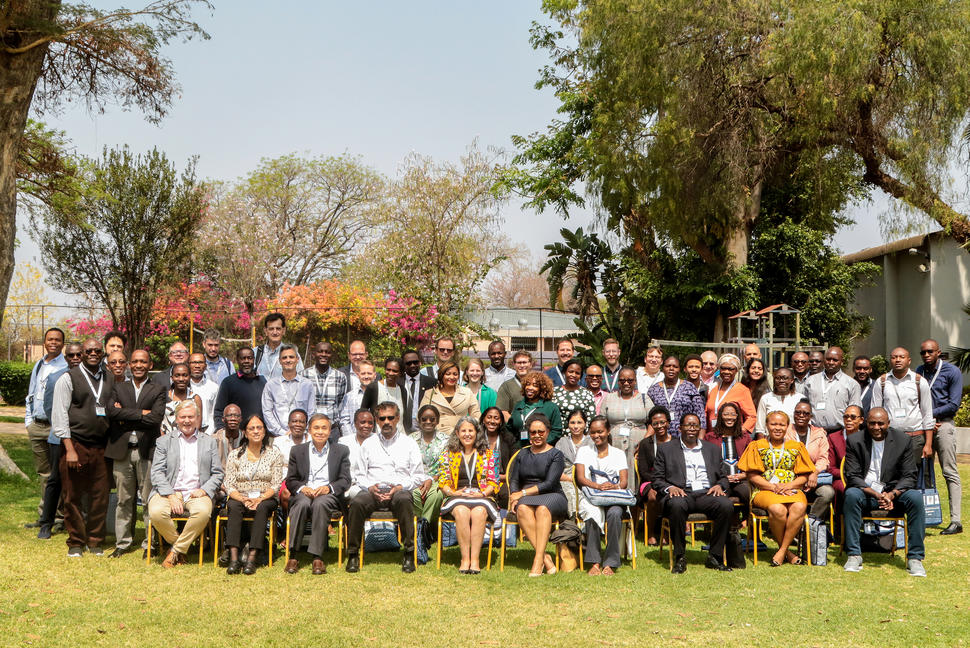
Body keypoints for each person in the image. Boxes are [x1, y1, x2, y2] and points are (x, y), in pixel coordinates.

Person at [842, 408, 926, 577]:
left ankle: (915, 558)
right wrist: (876, 494)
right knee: (851, 495)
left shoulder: (903, 440)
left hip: (894, 493)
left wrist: (892, 494)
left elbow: (910, 475)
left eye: (881, 423)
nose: (876, 427)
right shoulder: (855, 440)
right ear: (866, 422)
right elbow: (852, 476)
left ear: (889, 423)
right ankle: (854, 555)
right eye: (872, 423)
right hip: (866, 492)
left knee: (916, 497)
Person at [51, 337, 115, 556]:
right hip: (76, 444)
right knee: (72, 495)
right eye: (89, 351)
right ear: (83, 353)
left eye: (98, 350)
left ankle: (95, 540)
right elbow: (59, 415)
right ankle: (76, 541)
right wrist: (69, 449)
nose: (93, 353)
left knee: (100, 495)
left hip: (102, 446)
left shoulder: (110, 378)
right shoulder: (68, 378)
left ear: (103, 353)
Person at [345, 402, 426, 573]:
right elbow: (359, 474)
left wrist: (399, 487)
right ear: (377, 420)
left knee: (404, 500)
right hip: (373, 491)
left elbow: (419, 476)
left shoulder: (409, 443)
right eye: (382, 418)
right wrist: (370, 487)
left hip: (398, 490)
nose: (387, 422)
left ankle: (409, 553)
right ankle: (353, 554)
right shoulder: (368, 443)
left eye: (391, 417)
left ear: (397, 418)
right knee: (357, 503)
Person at [653, 413, 734, 573]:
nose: (692, 428)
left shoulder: (712, 449)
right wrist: (671, 488)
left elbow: (724, 477)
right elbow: (656, 479)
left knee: (726, 505)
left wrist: (720, 486)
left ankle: (715, 555)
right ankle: (680, 556)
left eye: (695, 425)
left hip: (706, 493)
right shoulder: (666, 449)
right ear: (680, 428)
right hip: (681, 493)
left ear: (700, 428)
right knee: (676, 505)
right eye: (688, 425)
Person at [104, 349, 166, 558]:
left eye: (143, 362)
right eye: (135, 362)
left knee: (149, 499)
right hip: (122, 451)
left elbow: (156, 418)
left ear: (150, 365)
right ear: (129, 364)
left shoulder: (158, 388)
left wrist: (126, 415)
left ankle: (150, 543)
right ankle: (123, 543)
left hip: (146, 450)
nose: (139, 365)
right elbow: (112, 412)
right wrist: (141, 413)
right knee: (123, 499)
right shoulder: (118, 387)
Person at [148, 400, 224, 568]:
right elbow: (157, 472)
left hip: (197, 492)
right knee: (156, 512)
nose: (187, 421)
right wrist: (171, 495)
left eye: (191, 417)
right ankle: (180, 548)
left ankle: (175, 551)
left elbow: (218, 473)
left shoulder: (209, 441)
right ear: (176, 419)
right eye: (183, 417)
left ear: (197, 418)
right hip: (168, 491)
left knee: (203, 512)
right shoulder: (164, 441)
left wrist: (204, 490)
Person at [738, 410, 815, 566]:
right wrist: (773, 487)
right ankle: (787, 552)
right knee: (778, 509)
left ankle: (782, 551)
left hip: (791, 488)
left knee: (800, 506)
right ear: (766, 426)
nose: (777, 428)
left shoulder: (797, 446)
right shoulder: (757, 445)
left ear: (788, 426)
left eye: (782, 424)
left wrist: (788, 485)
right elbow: (752, 475)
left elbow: (804, 476)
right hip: (764, 489)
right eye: (773, 424)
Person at [284, 413, 351, 575]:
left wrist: (329, 488)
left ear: (329, 431)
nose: (320, 432)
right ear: (309, 430)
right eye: (316, 428)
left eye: (324, 428)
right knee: (301, 504)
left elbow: (345, 479)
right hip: (304, 493)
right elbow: (291, 480)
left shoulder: (341, 450)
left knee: (320, 504)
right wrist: (302, 488)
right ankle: (293, 555)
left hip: (327, 495)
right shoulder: (297, 450)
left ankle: (317, 557)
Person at [222, 414, 285, 574]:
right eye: (252, 428)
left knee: (263, 508)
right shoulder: (235, 455)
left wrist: (260, 498)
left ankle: (252, 557)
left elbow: (276, 483)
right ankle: (234, 558)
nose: (256, 431)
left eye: (259, 428)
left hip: (265, 497)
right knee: (233, 506)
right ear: (245, 432)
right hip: (240, 496)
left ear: (264, 432)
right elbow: (229, 483)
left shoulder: (274, 454)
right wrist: (242, 498)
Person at [437, 416, 501, 574]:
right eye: (463, 431)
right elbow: (443, 480)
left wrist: (482, 493)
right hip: (457, 496)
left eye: (470, 430)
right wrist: (452, 492)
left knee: (479, 513)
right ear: (457, 433)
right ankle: (465, 559)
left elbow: (494, 481)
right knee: (461, 511)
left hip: (482, 496)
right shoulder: (448, 454)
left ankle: (475, 560)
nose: (467, 434)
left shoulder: (489, 454)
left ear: (477, 433)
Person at [509, 414, 568, 576]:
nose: (537, 435)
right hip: (526, 497)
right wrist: (514, 496)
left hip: (553, 495)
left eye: (540, 432)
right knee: (521, 509)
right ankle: (545, 559)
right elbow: (514, 479)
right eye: (533, 432)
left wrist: (522, 493)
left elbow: (549, 483)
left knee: (542, 509)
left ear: (548, 432)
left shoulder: (556, 454)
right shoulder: (522, 454)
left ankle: (537, 561)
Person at [915, 339, 963, 535]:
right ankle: (924, 516)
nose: (926, 355)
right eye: (923, 352)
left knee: (949, 471)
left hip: (943, 425)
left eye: (930, 352)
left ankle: (956, 520)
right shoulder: (919, 371)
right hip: (923, 427)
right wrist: (925, 420)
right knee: (921, 472)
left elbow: (954, 404)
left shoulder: (952, 372)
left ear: (938, 352)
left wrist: (931, 415)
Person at [574, 416, 630, 575]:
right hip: (592, 495)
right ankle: (594, 562)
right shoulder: (584, 451)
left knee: (614, 514)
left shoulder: (618, 453)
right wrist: (598, 486)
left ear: (608, 431)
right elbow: (580, 478)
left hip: (614, 495)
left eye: (600, 432)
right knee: (592, 514)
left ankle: (611, 562)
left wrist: (614, 486)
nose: (596, 435)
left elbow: (624, 482)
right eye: (592, 432)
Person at [37, 342, 82, 540]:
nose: (74, 359)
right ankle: (46, 523)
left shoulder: (89, 379)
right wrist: (61, 427)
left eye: (78, 355)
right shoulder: (56, 378)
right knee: (55, 480)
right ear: (65, 358)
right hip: (58, 438)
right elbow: (49, 407)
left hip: (81, 439)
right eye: (70, 356)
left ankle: (74, 521)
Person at [24, 327, 67, 529]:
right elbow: (31, 393)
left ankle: (58, 517)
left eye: (57, 340)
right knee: (43, 473)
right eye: (50, 339)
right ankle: (44, 515)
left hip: (54, 427)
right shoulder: (39, 364)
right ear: (44, 342)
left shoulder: (66, 367)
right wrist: (28, 422)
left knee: (56, 474)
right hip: (37, 425)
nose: (53, 343)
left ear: (62, 344)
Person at [871, 347, 934, 466]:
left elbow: (927, 414)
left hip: (914, 437)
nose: (898, 360)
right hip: (889, 437)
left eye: (901, 357)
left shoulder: (919, 381)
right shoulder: (882, 382)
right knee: (890, 474)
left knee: (914, 476)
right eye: (894, 357)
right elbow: (874, 413)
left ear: (909, 361)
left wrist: (928, 444)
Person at [786, 400, 834, 520]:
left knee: (827, 493)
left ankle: (810, 524)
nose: (801, 416)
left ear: (811, 416)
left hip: (814, 478)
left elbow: (824, 458)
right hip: (791, 477)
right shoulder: (786, 432)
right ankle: (790, 523)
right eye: (798, 413)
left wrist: (814, 472)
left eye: (805, 413)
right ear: (793, 414)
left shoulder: (819, 434)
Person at [602, 366, 654, 474]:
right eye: (622, 380)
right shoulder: (609, 398)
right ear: (618, 382)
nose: (626, 383)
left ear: (635, 381)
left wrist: (644, 442)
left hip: (639, 443)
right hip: (614, 444)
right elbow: (602, 422)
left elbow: (653, 422)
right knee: (615, 471)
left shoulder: (644, 398)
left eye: (630, 380)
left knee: (637, 471)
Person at [802, 346, 862, 435]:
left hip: (839, 432)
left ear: (842, 362)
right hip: (814, 432)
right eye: (828, 359)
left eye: (835, 360)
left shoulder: (851, 384)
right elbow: (803, 406)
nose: (831, 362)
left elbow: (855, 411)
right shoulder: (810, 381)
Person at [703, 402, 752, 511]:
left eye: (733, 414)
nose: (730, 417)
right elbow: (706, 463)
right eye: (726, 414)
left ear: (738, 417)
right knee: (718, 500)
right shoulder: (710, 437)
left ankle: (745, 522)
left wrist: (743, 475)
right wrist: (723, 478)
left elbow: (752, 461)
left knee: (749, 494)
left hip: (740, 480)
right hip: (719, 481)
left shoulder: (745, 437)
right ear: (720, 416)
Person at [635, 406, 673, 545]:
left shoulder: (676, 442)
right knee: (653, 495)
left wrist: (669, 482)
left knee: (674, 495)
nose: (659, 426)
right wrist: (659, 481)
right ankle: (651, 533)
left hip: (672, 482)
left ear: (668, 423)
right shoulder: (646, 443)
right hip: (650, 481)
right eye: (655, 423)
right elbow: (643, 470)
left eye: (662, 422)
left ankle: (667, 533)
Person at [261, 343, 315, 438]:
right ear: (280, 361)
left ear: (297, 359)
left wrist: (302, 431)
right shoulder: (270, 385)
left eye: (291, 357)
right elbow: (267, 412)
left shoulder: (307, 385)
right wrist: (282, 432)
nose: (288, 360)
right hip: (278, 437)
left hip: (302, 436)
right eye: (284, 358)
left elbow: (311, 411)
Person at [409, 404, 447, 532]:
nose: (428, 422)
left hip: (438, 479)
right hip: (415, 479)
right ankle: (420, 528)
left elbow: (447, 466)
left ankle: (425, 530)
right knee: (415, 494)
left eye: (432, 419)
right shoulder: (410, 439)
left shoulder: (446, 440)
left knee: (436, 496)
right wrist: (420, 479)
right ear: (419, 420)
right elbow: (406, 464)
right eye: (424, 419)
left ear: (437, 420)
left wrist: (431, 479)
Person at [647, 355, 705, 436]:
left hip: (685, 437)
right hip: (661, 437)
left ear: (679, 369)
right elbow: (649, 418)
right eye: (668, 366)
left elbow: (700, 415)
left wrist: (700, 440)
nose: (671, 369)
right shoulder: (653, 390)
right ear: (662, 368)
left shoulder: (689, 387)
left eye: (675, 366)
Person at [213, 347, 267, 431]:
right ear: (237, 360)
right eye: (243, 358)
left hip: (258, 433)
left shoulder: (262, 381)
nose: (246, 361)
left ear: (254, 360)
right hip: (236, 435)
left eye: (249, 358)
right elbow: (219, 411)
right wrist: (222, 430)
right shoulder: (228, 382)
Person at [302, 341, 349, 436]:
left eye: (327, 352)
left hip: (332, 429)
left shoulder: (340, 377)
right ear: (314, 354)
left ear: (332, 355)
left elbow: (340, 404)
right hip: (310, 430)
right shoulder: (303, 375)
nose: (324, 355)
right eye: (320, 351)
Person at [421, 361, 480, 433]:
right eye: (448, 374)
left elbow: (476, 415)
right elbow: (421, 416)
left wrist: (467, 429)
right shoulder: (430, 393)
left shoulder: (467, 392)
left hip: (461, 435)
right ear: (441, 375)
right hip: (437, 436)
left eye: (455, 374)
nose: (452, 377)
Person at [555, 408, 594, 517]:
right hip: (566, 479)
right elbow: (556, 468)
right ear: (568, 425)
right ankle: (572, 521)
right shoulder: (562, 442)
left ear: (585, 424)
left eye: (579, 422)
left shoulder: (592, 442)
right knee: (568, 490)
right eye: (572, 423)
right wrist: (569, 479)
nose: (576, 426)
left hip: (588, 479)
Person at [704, 354, 756, 435]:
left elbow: (752, 417)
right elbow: (706, 413)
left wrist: (741, 431)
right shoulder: (713, 389)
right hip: (713, 437)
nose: (726, 372)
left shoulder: (742, 390)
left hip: (732, 437)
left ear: (736, 370)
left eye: (730, 369)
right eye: (723, 368)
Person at [509, 371, 563, 447]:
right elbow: (510, 428)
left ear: (542, 388)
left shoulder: (551, 407)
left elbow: (556, 431)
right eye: (528, 384)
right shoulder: (519, 405)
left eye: (535, 385)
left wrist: (540, 443)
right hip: (519, 450)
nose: (530, 388)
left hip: (541, 450)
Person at [362, 357, 410, 434]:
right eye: (388, 369)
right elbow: (363, 412)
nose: (390, 373)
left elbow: (405, 417)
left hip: (399, 436)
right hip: (378, 436)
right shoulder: (374, 388)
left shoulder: (402, 390)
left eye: (395, 371)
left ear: (400, 373)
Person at [480, 406, 515, 507]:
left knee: (506, 494)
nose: (492, 421)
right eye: (489, 417)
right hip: (480, 479)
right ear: (483, 420)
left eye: (496, 418)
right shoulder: (476, 438)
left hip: (503, 479)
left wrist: (501, 477)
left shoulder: (508, 439)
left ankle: (501, 521)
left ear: (501, 422)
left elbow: (513, 464)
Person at [339, 409, 376, 500]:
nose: (366, 426)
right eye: (363, 422)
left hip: (373, 486)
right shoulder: (344, 442)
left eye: (370, 423)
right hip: (351, 486)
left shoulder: (379, 441)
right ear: (355, 423)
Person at [828, 405, 864, 497]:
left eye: (853, 417)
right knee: (844, 488)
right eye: (846, 417)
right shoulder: (833, 438)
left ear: (861, 420)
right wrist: (846, 475)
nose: (848, 420)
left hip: (863, 478)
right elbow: (831, 468)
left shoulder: (867, 438)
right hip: (842, 478)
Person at [254, 312, 303, 379]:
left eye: (278, 329)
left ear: (284, 330)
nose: (275, 332)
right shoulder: (256, 353)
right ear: (265, 331)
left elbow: (300, 378)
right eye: (271, 329)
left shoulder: (292, 354)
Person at [160, 363, 203, 436]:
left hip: (189, 441)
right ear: (172, 378)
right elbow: (158, 422)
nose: (181, 379)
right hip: (166, 440)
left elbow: (197, 425)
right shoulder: (163, 396)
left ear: (190, 377)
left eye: (185, 375)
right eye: (177, 375)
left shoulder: (195, 398)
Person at [755, 367, 799, 438]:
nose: (781, 381)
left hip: (793, 442)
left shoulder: (799, 399)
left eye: (785, 378)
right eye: (778, 378)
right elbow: (760, 428)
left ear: (792, 380)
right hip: (770, 442)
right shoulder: (766, 398)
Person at [552, 358, 596, 426]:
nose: (574, 375)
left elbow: (591, 418)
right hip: (559, 434)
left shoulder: (587, 394)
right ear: (564, 372)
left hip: (580, 434)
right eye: (571, 371)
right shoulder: (554, 392)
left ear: (580, 376)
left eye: (577, 373)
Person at [401, 349, 436, 431]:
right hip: (403, 427)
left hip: (424, 426)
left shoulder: (431, 382)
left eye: (415, 362)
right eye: (408, 363)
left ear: (420, 362)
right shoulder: (398, 382)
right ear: (403, 365)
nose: (412, 365)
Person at [338, 360, 376, 434]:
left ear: (375, 375)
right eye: (363, 373)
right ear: (358, 375)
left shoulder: (381, 395)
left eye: (369, 373)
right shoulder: (349, 396)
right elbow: (344, 420)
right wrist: (352, 440)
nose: (366, 376)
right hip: (354, 439)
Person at [187, 352, 220, 433]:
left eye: (200, 362)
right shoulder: (183, 387)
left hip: (207, 431)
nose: (197, 366)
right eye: (194, 362)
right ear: (188, 365)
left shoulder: (213, 388)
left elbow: (215, 413)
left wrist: (208, 433)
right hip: (185, 431)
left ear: (205, 366)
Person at [496, 350, 533, 420]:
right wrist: (516, 425)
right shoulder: (506, 386)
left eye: (524, 362)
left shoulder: (538, 385)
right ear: (514, 365)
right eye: (519, 363)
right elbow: (503, 411)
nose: (522, 365)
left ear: (530, 364)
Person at [212, 404, 243, 468]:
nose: (233, 418)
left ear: (241, 419)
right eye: (229, 416)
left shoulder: (246, 439)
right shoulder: (213, 440)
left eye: (236, 416)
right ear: (223, 419)